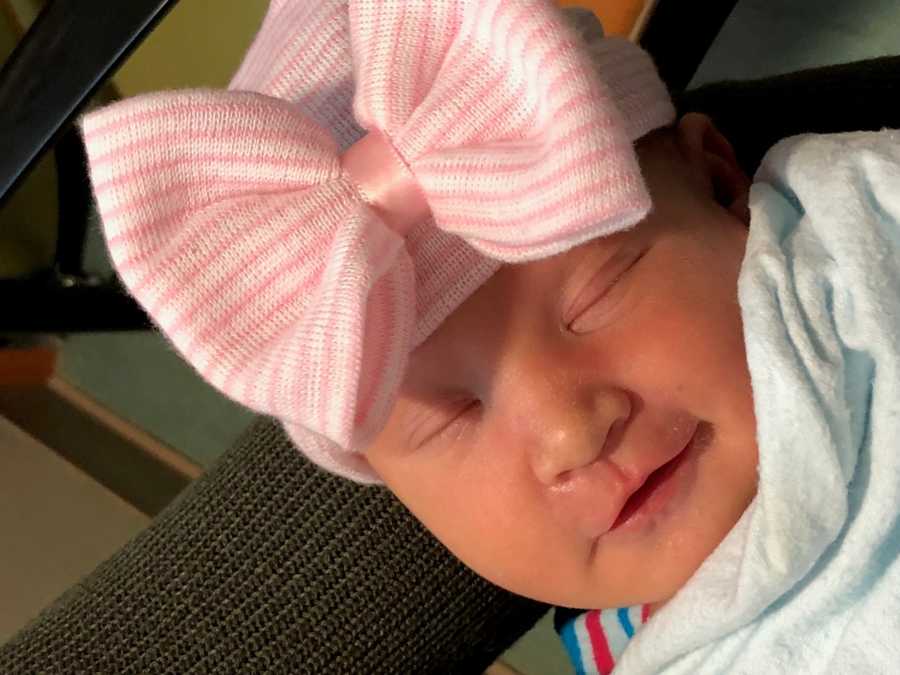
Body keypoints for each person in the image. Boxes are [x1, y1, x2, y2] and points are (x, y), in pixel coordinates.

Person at [80, 1, 900, 672]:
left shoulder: (863, 228)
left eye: (597, 292)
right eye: (451, 416)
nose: (570, 431)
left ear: (722, 179)